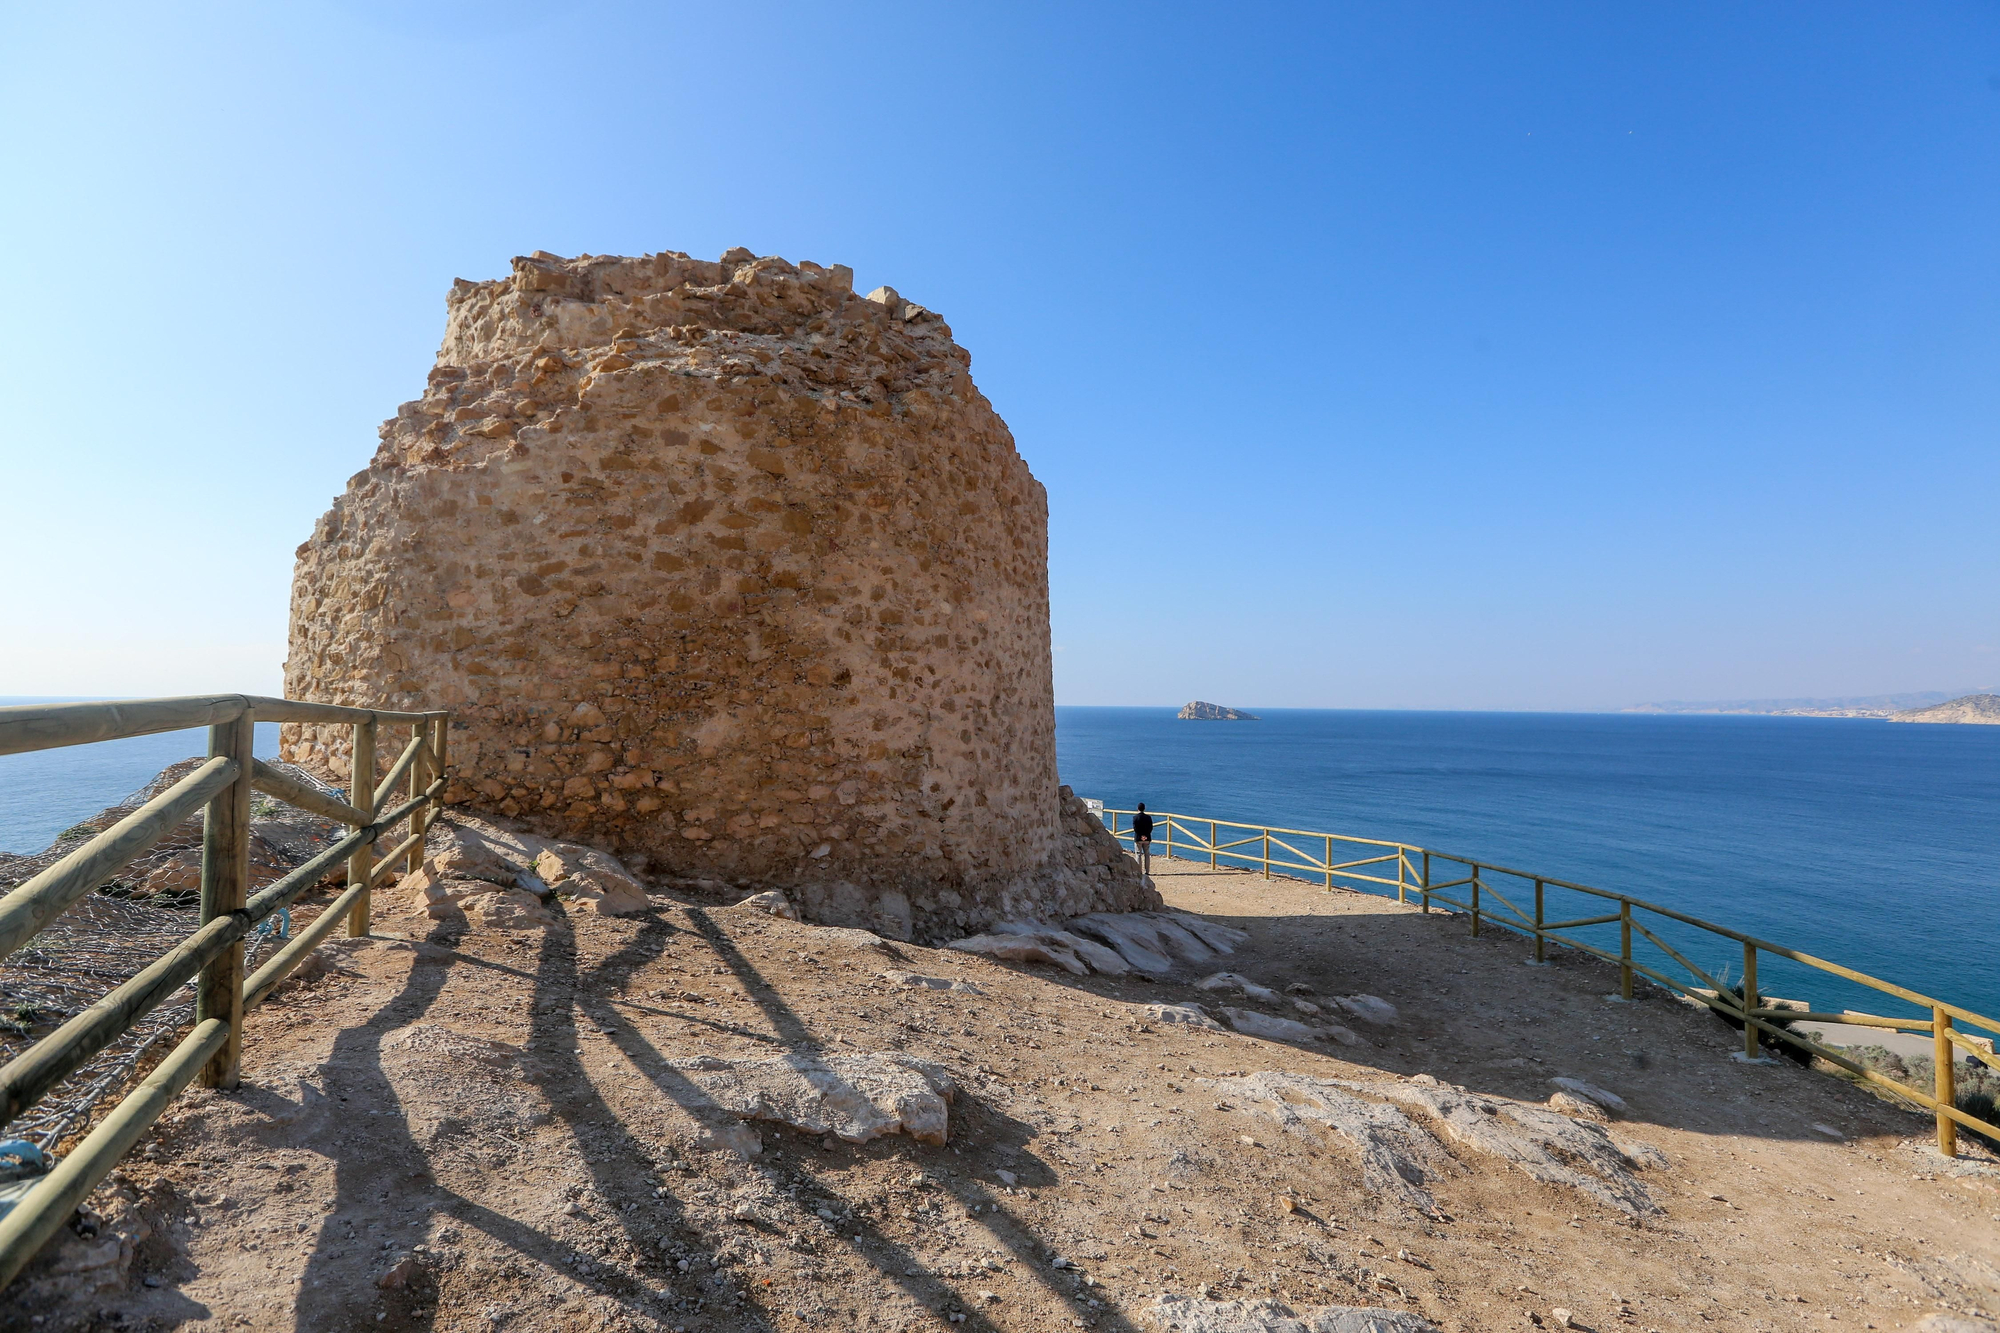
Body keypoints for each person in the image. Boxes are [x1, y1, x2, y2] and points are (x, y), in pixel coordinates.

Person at [1132, 802, 1154, 876]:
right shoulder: (1148, 817)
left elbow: (1135, 829)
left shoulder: (1135, 817)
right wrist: (1145, 836)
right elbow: (1151, 828)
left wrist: (1141, 836)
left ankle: (1139, 871)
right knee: (1147, 854)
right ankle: (1147, 871)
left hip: (1138, 838)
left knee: (1138, 854)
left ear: (1137, 809)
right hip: (1147, 837)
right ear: (1144, 809)